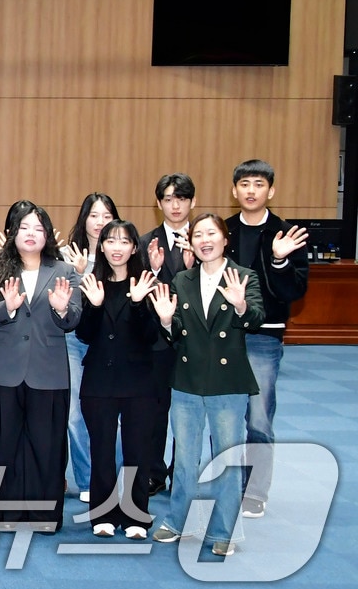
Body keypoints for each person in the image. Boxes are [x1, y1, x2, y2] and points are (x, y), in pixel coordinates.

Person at [148, 213, 265, 556]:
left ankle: (223, 531)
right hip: (187, 381)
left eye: (211, 233)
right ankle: (176, 521)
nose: (204, 240)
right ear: (192, 242)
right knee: (184, 457)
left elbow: (255, 319)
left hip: (228, 383)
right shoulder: (182, 279)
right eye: (198, 235)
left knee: (227, 458)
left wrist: (241, 303)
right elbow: (176, 334)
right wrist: (167, 322)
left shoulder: (243, 276)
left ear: (225, 238)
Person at [0, 201, 80, 532]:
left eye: (38, 228)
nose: (31, 233)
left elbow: (74, 318)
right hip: (1, 371)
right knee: (3, 445)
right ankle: (7, 516)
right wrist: (5, 308)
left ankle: (44, 517)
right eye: (24, 228)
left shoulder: (63, 271)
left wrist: (62, 311)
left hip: (47, 371)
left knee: (46, 446)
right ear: (13, 233)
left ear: (48, 235)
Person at [225, 160, 308, 520]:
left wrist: (278, 260)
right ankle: (227, 485)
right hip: (223, 337)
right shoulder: (221, 231)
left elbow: (295, 290)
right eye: (244, 184)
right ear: (234, 191)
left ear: (270, 191)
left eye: (258, 184)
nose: (251, 190)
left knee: (258, 418)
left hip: (264, 337)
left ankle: (255, 491)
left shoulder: (287, 234)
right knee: (224, 416)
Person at [76, 219, 159, 539]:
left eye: (124, 241)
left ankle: (136, 516)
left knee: (137, 450)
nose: (117, 247)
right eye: (110, 241)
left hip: (139, 380)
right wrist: (94, 307)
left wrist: (139, 303)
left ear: (134, 248)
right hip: (99, 380)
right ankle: (103, 514)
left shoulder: (146, 282)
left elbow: (151, 336)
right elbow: (83, 334)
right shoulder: (93, 282)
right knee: (102, 451)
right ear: (102, 246)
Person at [137, 172, 197, 496]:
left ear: (193, 202)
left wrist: (193, 269)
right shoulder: (147, 243)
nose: (176, 205)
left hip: (195, 343)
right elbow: (141, 290)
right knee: (157, 409)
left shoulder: (206, 240)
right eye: (169, 199)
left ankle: (183, 473)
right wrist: (158, 271)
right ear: (158, 202)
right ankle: (155, 473)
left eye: (182, 198)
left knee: (189, 412)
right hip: (159, 342)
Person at [61, 192, 118, 503]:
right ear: (84, 219)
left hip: (109, 345)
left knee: (111, 413)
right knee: (75, 414)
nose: (100, 222)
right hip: (73, 341)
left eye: (106, 216)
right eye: (94, 215)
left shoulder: (121, 253)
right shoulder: (67, 256)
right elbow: (65, 305)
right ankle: (86, 479)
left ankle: (109, 478)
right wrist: (78, 273)